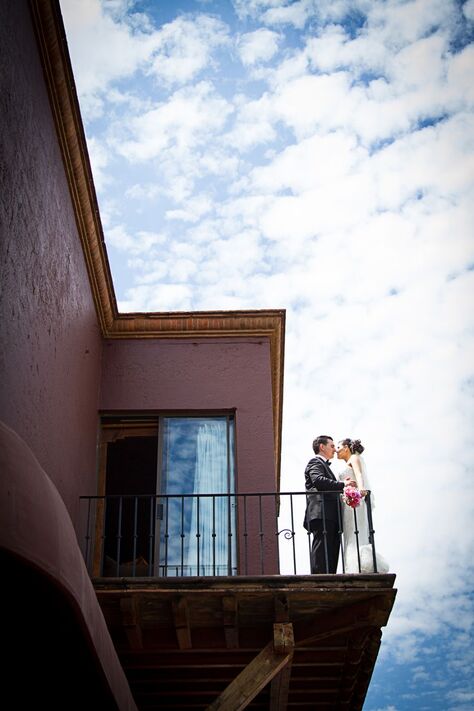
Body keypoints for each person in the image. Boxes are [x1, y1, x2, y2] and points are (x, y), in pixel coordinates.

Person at [303, 435, 356, 574]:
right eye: (332, 446)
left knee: (332, 552)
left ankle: (329, 578)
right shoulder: (315, 462)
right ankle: (318, 580)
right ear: (322, 446)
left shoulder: (323, 464)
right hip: (322, 514)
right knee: (322, 550)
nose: (334, 450)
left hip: (331, 515)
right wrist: (343, 485)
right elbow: (319, 481)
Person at [336, 438, 389, 573]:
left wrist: (361, 489)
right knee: (349, 534)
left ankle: (362, 564)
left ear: (346, 447)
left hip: (355, 501)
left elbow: (359, 474)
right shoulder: (346, 463)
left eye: (338, 447)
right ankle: (352, 565)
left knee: (356, 530)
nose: (337, 450)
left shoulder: (354, 458)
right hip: (347, 504)